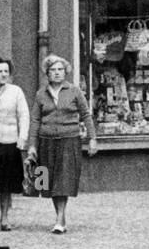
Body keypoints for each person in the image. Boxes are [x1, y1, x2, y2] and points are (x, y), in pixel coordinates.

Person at [27, 54, 97, 234]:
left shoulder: (74, 91)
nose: (57, 73)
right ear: (47, 73)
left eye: (60, 70)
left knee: (64, 179)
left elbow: (86, 115)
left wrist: (92, 138)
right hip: (46, 141)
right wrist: (32, 146)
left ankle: (60, 218)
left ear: (65, 72)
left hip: (69, 140)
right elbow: (35, 120)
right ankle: (60, 215)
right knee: (49, 181)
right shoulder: (41, 94)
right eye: (53, 70)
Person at [0, 56, 30, 232]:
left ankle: (4, 218)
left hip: (10, 142)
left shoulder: (16, 92)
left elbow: (24, 115)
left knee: (6, 183)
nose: (3, 74)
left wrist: (22, 137)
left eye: (6, 71)